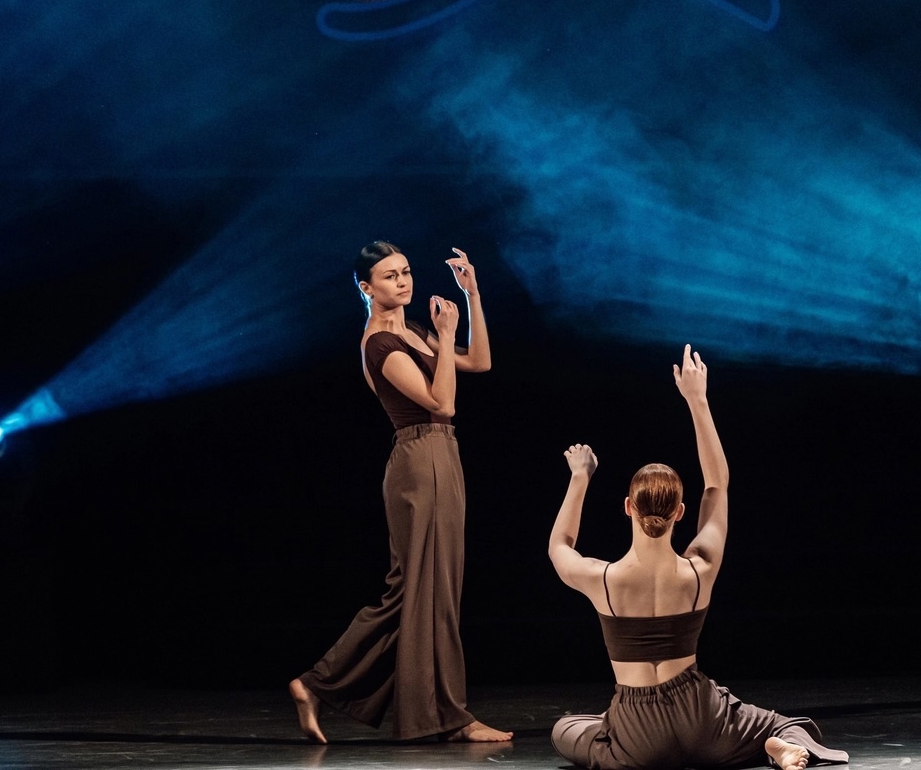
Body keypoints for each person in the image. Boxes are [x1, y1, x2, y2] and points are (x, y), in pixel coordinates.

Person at [548, 345, 848, 770]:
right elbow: (716, 485)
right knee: (784, 725)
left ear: (628, 507)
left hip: (637, 732)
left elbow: (560, 546)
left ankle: (624, 733)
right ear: (680, 513)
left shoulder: (604, 579)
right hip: (701, 719)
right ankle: (774, 747)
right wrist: (697, 400)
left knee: (565, 728)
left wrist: (580, 477)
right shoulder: (699, 569)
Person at [289, 241, 512, 744]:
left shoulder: (411, 330)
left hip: (439, 454)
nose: (404, 281)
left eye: (406, 271)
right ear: (366, 288)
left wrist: (472, 296)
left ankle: (318, 685)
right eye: (390, 276)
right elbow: (442, 403)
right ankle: (447, 715)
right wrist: (447, 334)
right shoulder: (380, 346)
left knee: (420, 591)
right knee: (427, 591)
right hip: (420, 457)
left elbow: (480, 362)